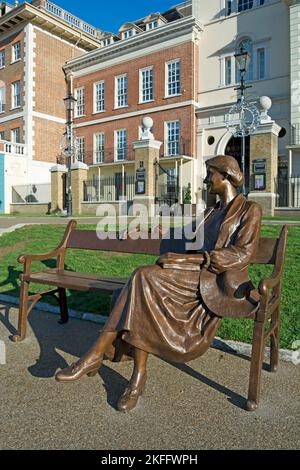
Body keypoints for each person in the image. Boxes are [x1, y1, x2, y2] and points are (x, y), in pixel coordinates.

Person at [55, 155, 262, 412]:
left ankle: (95, 356)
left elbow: (243, 253)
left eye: (210, 173)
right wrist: (147, 232)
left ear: (226, 176)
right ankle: (135, 377)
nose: (206, 178)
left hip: (215, 282)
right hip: (193, 274)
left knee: (141, 278)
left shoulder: (250, 209)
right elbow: (185, 237)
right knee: (136, 289)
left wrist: (201, 258)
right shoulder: (211, 212)